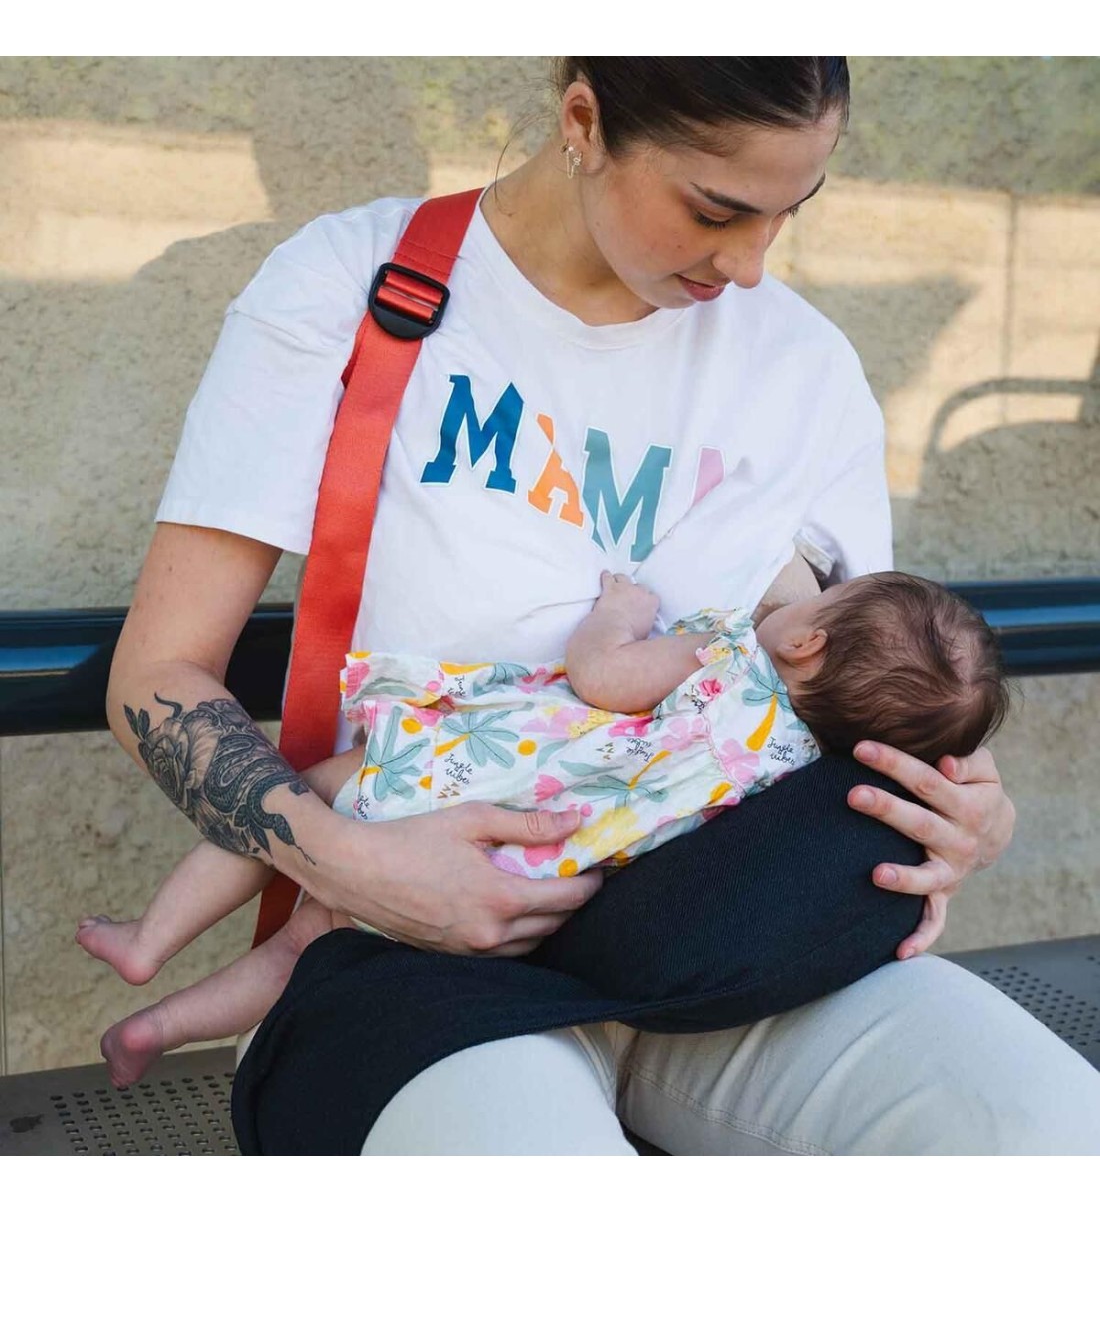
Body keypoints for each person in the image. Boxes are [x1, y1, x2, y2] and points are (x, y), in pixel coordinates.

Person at [104, 57, 1100, 1154]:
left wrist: (972, 815)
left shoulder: (804, 367)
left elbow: (856, 672)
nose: (749, 264)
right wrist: (349, 864)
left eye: (788, 212)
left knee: (1053, 1136)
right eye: (715, 210)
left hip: (723, 939)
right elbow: (158, 678)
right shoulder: (358, 286)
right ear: (582, 119)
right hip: (405, 953)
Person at [83, 564, 1011, 1089]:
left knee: (291, 798)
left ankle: (150, 940)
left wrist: (620, 614)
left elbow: (603, 678)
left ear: (807, 640)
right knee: (301, 950)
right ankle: (158, 1029)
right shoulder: (798, 761)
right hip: (524, 884)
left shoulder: (730, 660)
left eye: (822, 596)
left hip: (464, 782)